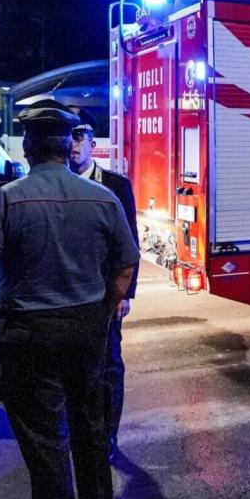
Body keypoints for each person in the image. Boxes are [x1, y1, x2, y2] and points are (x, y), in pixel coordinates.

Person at [0, 101, 139, 499]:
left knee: (46, 443)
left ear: (27, 146)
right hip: (86, 330)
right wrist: (105, 311)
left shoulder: (4, 200)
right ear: (69, 146)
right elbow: (125, 264)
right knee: (90, 427)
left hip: (28, 336)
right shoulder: (102, 199)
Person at [64, 103, 140, 463]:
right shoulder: (56, 183)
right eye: (69, 136)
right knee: (75, 367)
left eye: (80, 136)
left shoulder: (115, 185)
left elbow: (130, 243)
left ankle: (107, 435)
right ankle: (79, 430)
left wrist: (126, 293)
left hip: (106, 294)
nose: (73, 144)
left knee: (109, 365)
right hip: (67, 293)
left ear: (93, 142)